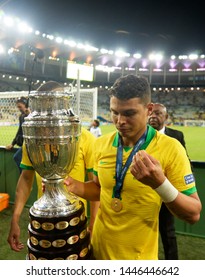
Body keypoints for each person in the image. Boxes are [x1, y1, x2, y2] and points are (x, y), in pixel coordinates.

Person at [64, 74, 201, 260]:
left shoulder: (171, 148)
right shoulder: (101, 144)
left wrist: (160, 184)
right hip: (97, 252)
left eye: (129, 113)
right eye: (114, 112)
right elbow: (99, 189)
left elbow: (193, 213)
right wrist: (70, 184)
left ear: (149, 109)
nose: (120, 120)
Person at [7, 82, 97, 252]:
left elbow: (95, 188)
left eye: (52, 109)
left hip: (75, 221)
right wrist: (15, 218)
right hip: (44, 221)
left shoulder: (85, 138)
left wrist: (92, 226)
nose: (48, 116)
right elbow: (26, 178)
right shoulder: (32, 139)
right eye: (43, 110)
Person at [148, 103, 189, 260]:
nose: (153, 116)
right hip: (144, 193)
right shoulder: (141, 135)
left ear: (166, 117)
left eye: (158, 113)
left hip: (166, 192)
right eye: (151, 113)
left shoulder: (176, 136)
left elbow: (185, 161)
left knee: (168, 232)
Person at [5, 97, 30, 173]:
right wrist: (12, 143)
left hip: (30, 143)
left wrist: (30, 115)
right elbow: (20, 130)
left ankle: (24, 178)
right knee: (18, 158)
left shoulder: (30, 115)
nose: (19, 109)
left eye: (20, 107)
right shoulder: (21, 116)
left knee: (17, 157)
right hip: (25, 144)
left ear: (25, 105)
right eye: (18, 107)